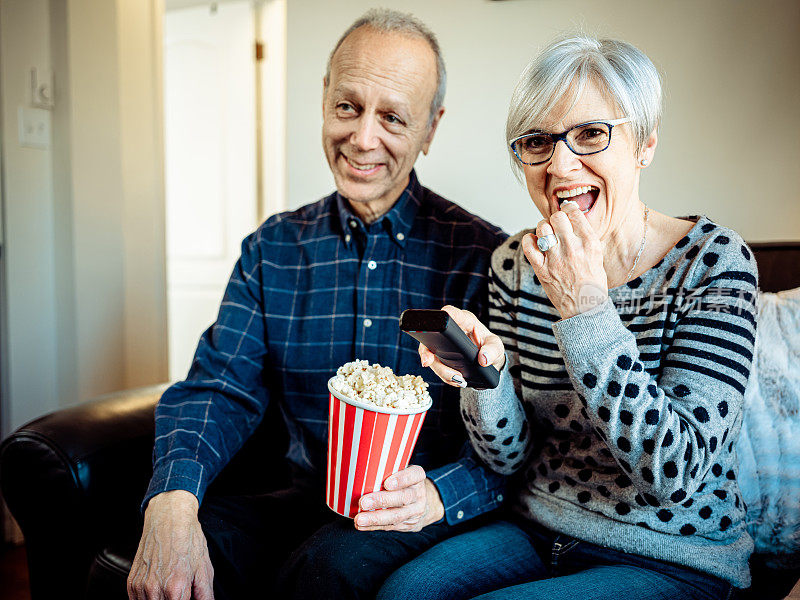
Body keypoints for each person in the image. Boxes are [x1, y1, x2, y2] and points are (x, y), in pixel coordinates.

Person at [126, 9, 508, 600]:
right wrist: (172, 502)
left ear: (431, 128)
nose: (362, 138)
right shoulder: (272, 249)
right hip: (303, 489)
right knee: (201, 551)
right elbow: (218, 388)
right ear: (324, 98)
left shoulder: (485, 258)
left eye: (393, 118)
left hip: (417, 506)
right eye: (348, 107)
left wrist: (443, 493)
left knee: (330, 567)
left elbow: (521, 437)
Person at [378, 34, 757, 600]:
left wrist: (585, 310)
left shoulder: (714, 264)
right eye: (537, 141)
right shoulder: (515, 262)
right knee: (404, 594)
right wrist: (486, 375)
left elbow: (676, 475)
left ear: (645, 142)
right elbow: (506, 456)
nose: (559, 165)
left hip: (673, 555)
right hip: (537, 528)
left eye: (590, 134)